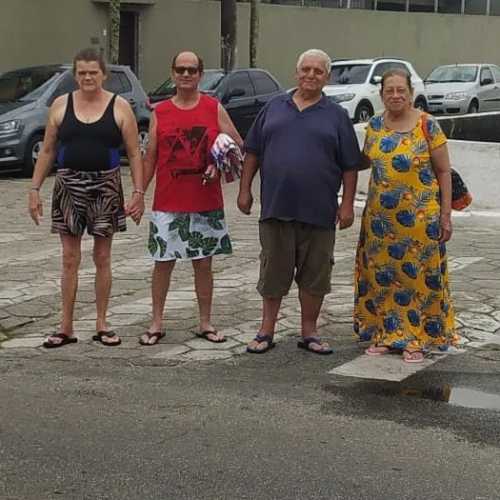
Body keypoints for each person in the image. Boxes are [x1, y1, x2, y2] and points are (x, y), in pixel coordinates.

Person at [237, 49, 361, 355]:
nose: (311, 75)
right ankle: (266, 331)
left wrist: (347, 204)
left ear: (327, 78)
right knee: (273, 272)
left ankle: (309, 332)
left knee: (315, 275)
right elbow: (253, 151)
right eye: (306, 69)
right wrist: (244, 190)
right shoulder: (273, 107)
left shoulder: (336, 115)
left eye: (318, 71)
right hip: (276, 207)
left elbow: (350, 165)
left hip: (319, 211)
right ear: (296, 72)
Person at [28, 47, 144, 348]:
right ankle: (65, 326)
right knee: (69, 258)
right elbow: (48, 150)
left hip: (106, 186)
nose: (87, 77)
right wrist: (34, 190)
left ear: (103, 74)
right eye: (82, 73)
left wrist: (138, 193)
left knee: (102, 257)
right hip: (68, 186)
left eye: (93, 72)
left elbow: (134, 153)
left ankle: (102, 323)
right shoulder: (61, 105)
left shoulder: (119, 107)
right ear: (75, 75)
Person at [139, 51, 242, 346]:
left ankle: (205, 322)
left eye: (192, 70)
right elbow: (150, 158)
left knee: (204, 264)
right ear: (172, 74)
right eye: (181, 69)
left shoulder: (213, 108)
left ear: (200, 75)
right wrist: (138, 194)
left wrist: (217, 164)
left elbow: (237, 145)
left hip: (205, 201)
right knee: (162, 263)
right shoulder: (160, 112)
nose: (186, 74)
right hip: (167, 201)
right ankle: (156, 323)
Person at [354, 69, 457, 363]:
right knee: (382, 278)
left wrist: (445, 215)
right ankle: (386, 334)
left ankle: (416, 338)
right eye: (390, 90)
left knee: (418, 280)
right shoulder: (374, 126)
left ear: (411, 93)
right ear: (381, 95)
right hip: (379, 223)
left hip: (421, 221)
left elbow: (443, 171)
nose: (395, 95)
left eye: (401, 90)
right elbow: (364, 161)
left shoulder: (428, 125)